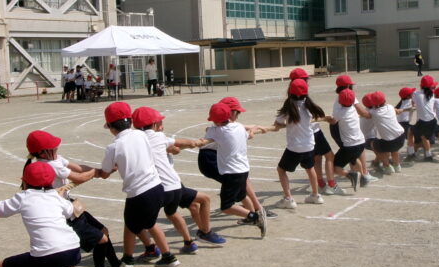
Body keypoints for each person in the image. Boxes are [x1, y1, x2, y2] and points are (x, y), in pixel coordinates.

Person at [23, 130, 140, 267]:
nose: (57, 149)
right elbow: (78, 177)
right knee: (101, 239)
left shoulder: (56, 159)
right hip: (63, 214)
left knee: (103, 231)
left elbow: (79, 168)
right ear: (42, 153)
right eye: (53, 147)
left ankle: (116, 266)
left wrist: (101, 171)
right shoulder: (49, 165)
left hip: (70, 206)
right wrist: (96, 172)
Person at [0, 162, 91, 267]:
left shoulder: (23, 197)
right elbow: (69, 211)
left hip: (49, 256)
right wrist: (59, 197)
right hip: (73, 251)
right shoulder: (55, 196)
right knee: (59, 254)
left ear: (24, 181)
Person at [95, 102, 180, 267]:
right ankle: (166, 256)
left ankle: (128, 259)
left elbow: (104, 173)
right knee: (149, 223)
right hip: (157, 187)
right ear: (130, 121)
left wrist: (104, 171)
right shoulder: (141, 135)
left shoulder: (114, 146)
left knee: (131, 225)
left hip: (139, 193)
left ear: (111, 127)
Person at [131, 106, 225, 253]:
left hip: (163, 185)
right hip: (168, 185)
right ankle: (193, 239)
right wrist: (206, 140)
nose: (162, 126)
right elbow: (184, 145)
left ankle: (192, 239)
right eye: (160, 123)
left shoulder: (138, 139)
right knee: (162, 215)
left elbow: (174, 149)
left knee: (177, 210)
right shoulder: (158, 138)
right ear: (154, 125)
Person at [200, 101, 267, 237]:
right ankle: (252, 215)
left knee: (226, 206)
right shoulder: (239, 127)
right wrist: (253, 129)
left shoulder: (216, 131)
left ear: (216, 121)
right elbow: (250, 134)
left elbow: (207, 130)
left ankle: (254, 216)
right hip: (244, 169)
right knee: (241, 195)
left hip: (231, 173)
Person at [264, 78, 326, 208]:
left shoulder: (289, 107)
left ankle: (288, 199)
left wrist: (284, 124)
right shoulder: (309, 106)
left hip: (295, 148)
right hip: (309, 145)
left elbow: (277, 124)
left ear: (290, 91)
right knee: (310, 168)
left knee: (281, 170)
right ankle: (316, 195)